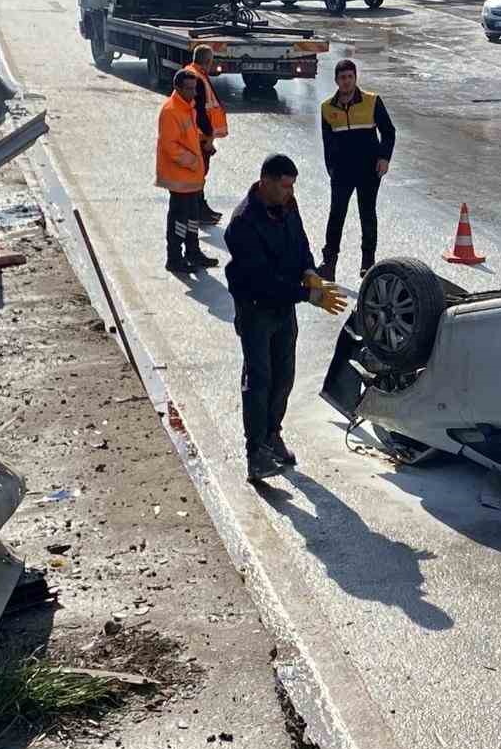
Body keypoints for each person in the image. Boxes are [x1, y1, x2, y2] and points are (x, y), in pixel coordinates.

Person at [224, 154, 348, 482]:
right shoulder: (243, 223)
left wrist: (309, 270)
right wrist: (309, 296)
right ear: (265, 182)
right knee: (259, 378)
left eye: (292, 186)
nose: (289, 193)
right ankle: (256, 454)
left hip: (284, 307)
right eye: (284, 186)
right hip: (256, 308)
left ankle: (272, 435)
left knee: (284, 376)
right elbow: (262, 283)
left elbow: (300, 243)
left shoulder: (288, 206)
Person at [319, 59, 396, 282]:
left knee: (367, 214)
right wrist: (331, 168)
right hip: (342, 172)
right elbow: (328, 142)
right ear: (336, 81)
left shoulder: (372, 101)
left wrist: (384, 158)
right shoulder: (327, 108)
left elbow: (389, 132)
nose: (346, 81)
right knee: (336, 215)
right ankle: (329, 263)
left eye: (350, 77)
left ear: (355, 78)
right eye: (342, 78)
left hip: (368, 171)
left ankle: (367, 264)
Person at [156, 69, 220, 273]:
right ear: (177, 88)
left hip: (191, 178)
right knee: (179, 220)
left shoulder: (187, 108)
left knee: (192, 218)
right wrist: (193, 161)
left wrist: (203, 143)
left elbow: (188, 137)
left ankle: (192, 252)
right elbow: (170, 146)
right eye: (190, 89)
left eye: (195, 88)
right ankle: (174, 258)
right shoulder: (171, 111)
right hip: (179, 178)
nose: (194, 93)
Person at [182, 45, 228, 225]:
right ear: (208, 61)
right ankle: (197, 210)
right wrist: (209, 136)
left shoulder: (190, 72)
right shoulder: (198, 79)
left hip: (193, 136)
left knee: (197, 175)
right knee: (198, 175)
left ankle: (199, 207)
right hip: (199, 138)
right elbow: (200, 111)